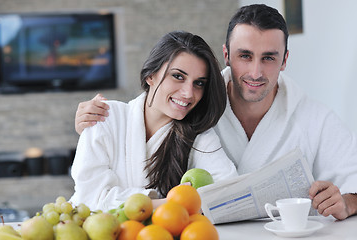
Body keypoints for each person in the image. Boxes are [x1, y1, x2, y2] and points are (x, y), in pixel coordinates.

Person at [74, 4, 357, 220]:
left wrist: (346, 202)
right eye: (245, 55)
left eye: (268, 58)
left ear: (284, 60)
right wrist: (95, 128)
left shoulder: (316, 119)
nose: (256, 72)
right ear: (226, 55)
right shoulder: (196, 112)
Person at [70, 30, 237, 212]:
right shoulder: (105, 117)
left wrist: (146, 205)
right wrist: (171, 202)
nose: (189, 93)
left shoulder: (199, 135)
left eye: (199, 83)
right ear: (151, 75)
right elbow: (90, 199)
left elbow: (228, 193)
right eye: (178, 76)